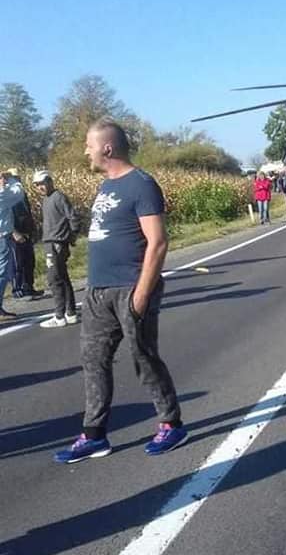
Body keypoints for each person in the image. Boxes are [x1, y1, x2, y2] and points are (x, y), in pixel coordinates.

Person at [55, 120, 187, 464]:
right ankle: (94, 435)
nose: (86, 151)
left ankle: (171, 423)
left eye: (89, 145)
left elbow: (158, 242)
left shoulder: (141, 184)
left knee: (143, 357)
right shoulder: (106, 185)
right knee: (93, 360)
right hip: (98, 290)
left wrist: (141, 295)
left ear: (107, 148)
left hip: (130, 287)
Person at [33, 170, 82, 329]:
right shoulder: (46, 199)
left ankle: (59, 315)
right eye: (37, 185)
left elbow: (73, 217)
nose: (40, 187)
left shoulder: (58, 197)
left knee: (54, 279)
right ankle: (70, 313)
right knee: (62, 276)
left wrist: (72, 236)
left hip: (57, 242)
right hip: (51, 241)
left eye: (42, 183)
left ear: (50, 181)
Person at [6, 168, 42, 300]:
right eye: (14, 178)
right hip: (15, 234)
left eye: (18, 178)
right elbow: (6, 217)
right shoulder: (7, 196)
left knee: (29, 262)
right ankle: (18, 290)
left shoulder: (21, 194)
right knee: (17, 263)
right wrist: (14, 232)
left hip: (27, 232)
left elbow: (28, 213)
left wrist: (33, 229)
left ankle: (29, 288)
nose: (17, 180)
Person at [0, 169, 27, 322]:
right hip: (2, 238)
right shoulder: (2, 194)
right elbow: (19, 193)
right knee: (2, 273)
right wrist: (11, 179)